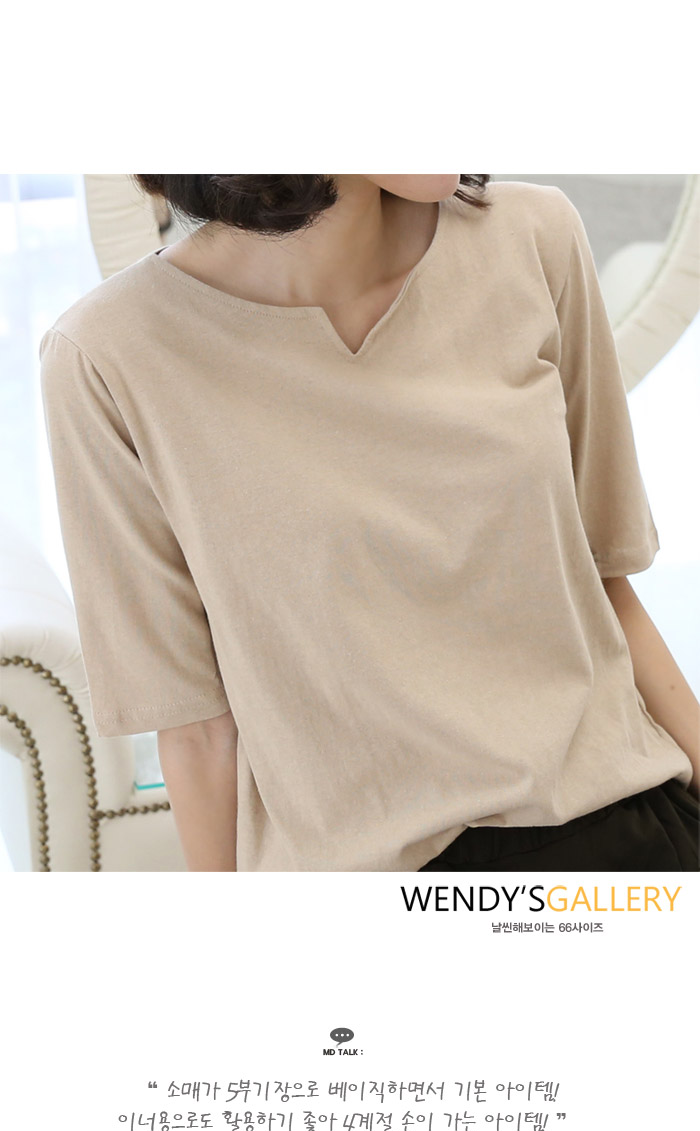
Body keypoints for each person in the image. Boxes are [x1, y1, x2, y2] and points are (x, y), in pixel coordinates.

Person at [38, 174, 700, 872]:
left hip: (620, 838)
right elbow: (197, 729)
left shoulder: (533, 236)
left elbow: (606, 588)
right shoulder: (106, 357)